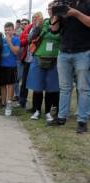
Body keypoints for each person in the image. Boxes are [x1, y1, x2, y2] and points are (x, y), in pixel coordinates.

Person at [49, 0, 90, 133]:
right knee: (64, 87)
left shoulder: (87, 4)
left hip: (84, 51)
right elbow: (54, 29)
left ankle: (82, 121)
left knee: (83, 88)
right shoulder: (65, 4)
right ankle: (61, 118)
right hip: (64, 52)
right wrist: (53, 14)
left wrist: (76, 14)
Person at [26, 4, 60, 121]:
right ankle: (36, 111)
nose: (51, 11)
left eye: (53, 8)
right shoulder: (44, 22)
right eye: (49, 9)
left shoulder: (63, 23)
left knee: (51, 88)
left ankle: (48, 113)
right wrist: (36, 27)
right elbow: (30, 38)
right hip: (38, 57)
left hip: (54, 59)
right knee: (37, 86)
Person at [0, 22, 20, 116]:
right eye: (6, 30)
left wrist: (9, 41)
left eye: (9, 30)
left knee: (10, 85)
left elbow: (16, 52)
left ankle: (9, 103)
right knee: (2, 84)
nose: (7, 32)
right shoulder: (2, 40)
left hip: (11, 66)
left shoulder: (15, 39)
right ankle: (3, 102)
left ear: (13, 30)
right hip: (2, 66)